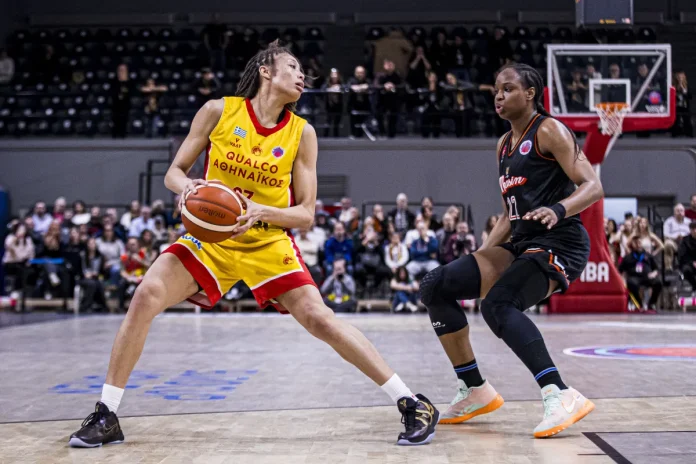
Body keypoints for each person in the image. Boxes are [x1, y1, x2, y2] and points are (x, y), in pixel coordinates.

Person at [69, 41, 438, 448]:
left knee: (320, 319)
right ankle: (107, 413)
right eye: (293, 66)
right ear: (266, 70)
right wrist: (188, 187)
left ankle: (412, 403)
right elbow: (174, 172)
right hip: (212, 239)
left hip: (267, 241)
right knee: (145, 296)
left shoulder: (302, 133)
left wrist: (261, 211)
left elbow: (306, 214)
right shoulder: (218, 111)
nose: (302, 75)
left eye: (303, 71)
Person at [420, 63, 602, 437]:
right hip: (521, 242)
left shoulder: (548, 130)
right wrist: (479, 256)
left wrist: (557, 209)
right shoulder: (503, 144)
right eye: (496, 90)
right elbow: (508, 213)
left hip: (560, 241)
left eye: (508, 89)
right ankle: (475, 388)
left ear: (530, 94)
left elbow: (593, 186)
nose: (499, 96)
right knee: (436, 285)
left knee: (498, 305)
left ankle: (560, 393)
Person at [619, 235, 662, 310]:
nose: (638, 244)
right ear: (632, 244)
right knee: (631, 283)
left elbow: (656, 269)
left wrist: (654, 273)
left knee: (658, 282)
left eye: (639, 242)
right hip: (635, 278)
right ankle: (639, 304)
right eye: (635, 243)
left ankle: (651, 303)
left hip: (648, 277)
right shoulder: (628, 257)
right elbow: (620, 271)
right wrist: (623, 279)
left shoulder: (648, 255)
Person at [112, 64, 133, 138]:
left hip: (125, 103)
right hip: (116, 104)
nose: (122, 72)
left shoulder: (129, 81)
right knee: (116, 119)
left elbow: (131, 92)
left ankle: (123, 134)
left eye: (123, 70)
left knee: (124, 118)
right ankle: (115, 134)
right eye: (120, 70)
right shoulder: (114, 80)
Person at [678, 222, 696, 293]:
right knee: (686, 270)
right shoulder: (685, 240)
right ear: (690, 230)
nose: (695, 231)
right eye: (693, 229)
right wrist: (692, 263)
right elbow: (682, 255)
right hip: (689, 263)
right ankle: (695, 286)